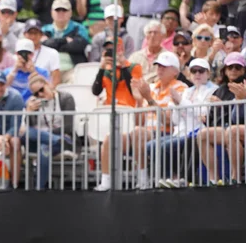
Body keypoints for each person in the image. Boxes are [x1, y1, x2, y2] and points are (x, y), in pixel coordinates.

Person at [95, 52, 187, 191]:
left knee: (139, 132)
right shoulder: (151, 88)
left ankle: (143, 179)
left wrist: (149, 99)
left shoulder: (180, 88)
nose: (160, 69)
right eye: (158, 66)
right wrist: (138, 100)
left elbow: (169, 121)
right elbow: (139, 121)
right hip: (144, 133)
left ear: (175, 71)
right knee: (110, 137)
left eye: (165, 66)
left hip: (166, 134)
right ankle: (106, 181)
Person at [155, 58, 218, 188]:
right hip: (181, 132)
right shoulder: (187, 91)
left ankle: (176, 178)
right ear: (189, 74)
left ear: (208, 73)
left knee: (165, 146)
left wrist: (181, 102)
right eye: (194, 71)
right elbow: (176, 120)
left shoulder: (212, 90)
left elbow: (204, 114)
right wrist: (177, 105)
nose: (197, 74)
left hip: (197, 131)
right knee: (152, 145)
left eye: (201, 71)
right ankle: (165, 179)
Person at [198, 52, 246, 185]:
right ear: (225, 70)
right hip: (227, 128)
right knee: (203, 134)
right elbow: (215, 118)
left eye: (238, 67)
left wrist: (242, 99)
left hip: (237, 127)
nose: (234, 70)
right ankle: (213, 179)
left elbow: (237, 118)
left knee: (233, 130)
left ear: (243, 70)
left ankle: (235, 177)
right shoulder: (220, 90)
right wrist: (207, 118)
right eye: (230, 67)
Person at [23, 75, 76, 189]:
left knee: (44, 148)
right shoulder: (34, 104)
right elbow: (29, 126)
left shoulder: (65, 98)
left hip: (63, 136)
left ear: (48, 84)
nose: (41, 95)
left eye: (42, 90)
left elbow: (68, 126)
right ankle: (56, 140)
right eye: (36, 94)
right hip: (50, 140)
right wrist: (29, 112)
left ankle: (39, 188)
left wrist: (46, 133)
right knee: (27, 133)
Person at [42, 0, 90, 83]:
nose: (61, 13)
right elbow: (42, 45)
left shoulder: (79, 28)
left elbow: (79, 46)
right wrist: (64, 40)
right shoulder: (45, 29)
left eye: (64, 10)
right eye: (57, 10)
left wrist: (53, 44)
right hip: (49, 71)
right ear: (52, 12)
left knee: (76, 80)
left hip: (72, 69)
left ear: (70, 13)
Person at [92, 36, 143, 107]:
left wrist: (123, 66)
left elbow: (134, 91)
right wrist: (101, 68)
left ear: (121, 49)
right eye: (108, 49)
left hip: (128, 109)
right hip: (110, 109)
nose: (110, 52)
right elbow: (96, 91)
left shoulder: (134, 67)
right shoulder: (106, 70)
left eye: (113, 49)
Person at [22, 18, 61, 86]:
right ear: (24, 34)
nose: (33, 36)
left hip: (43, 91)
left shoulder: (52, 53)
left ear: (41, 35)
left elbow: (56, 80)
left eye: (36, 33)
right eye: (30, 33)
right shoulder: (18, 53)